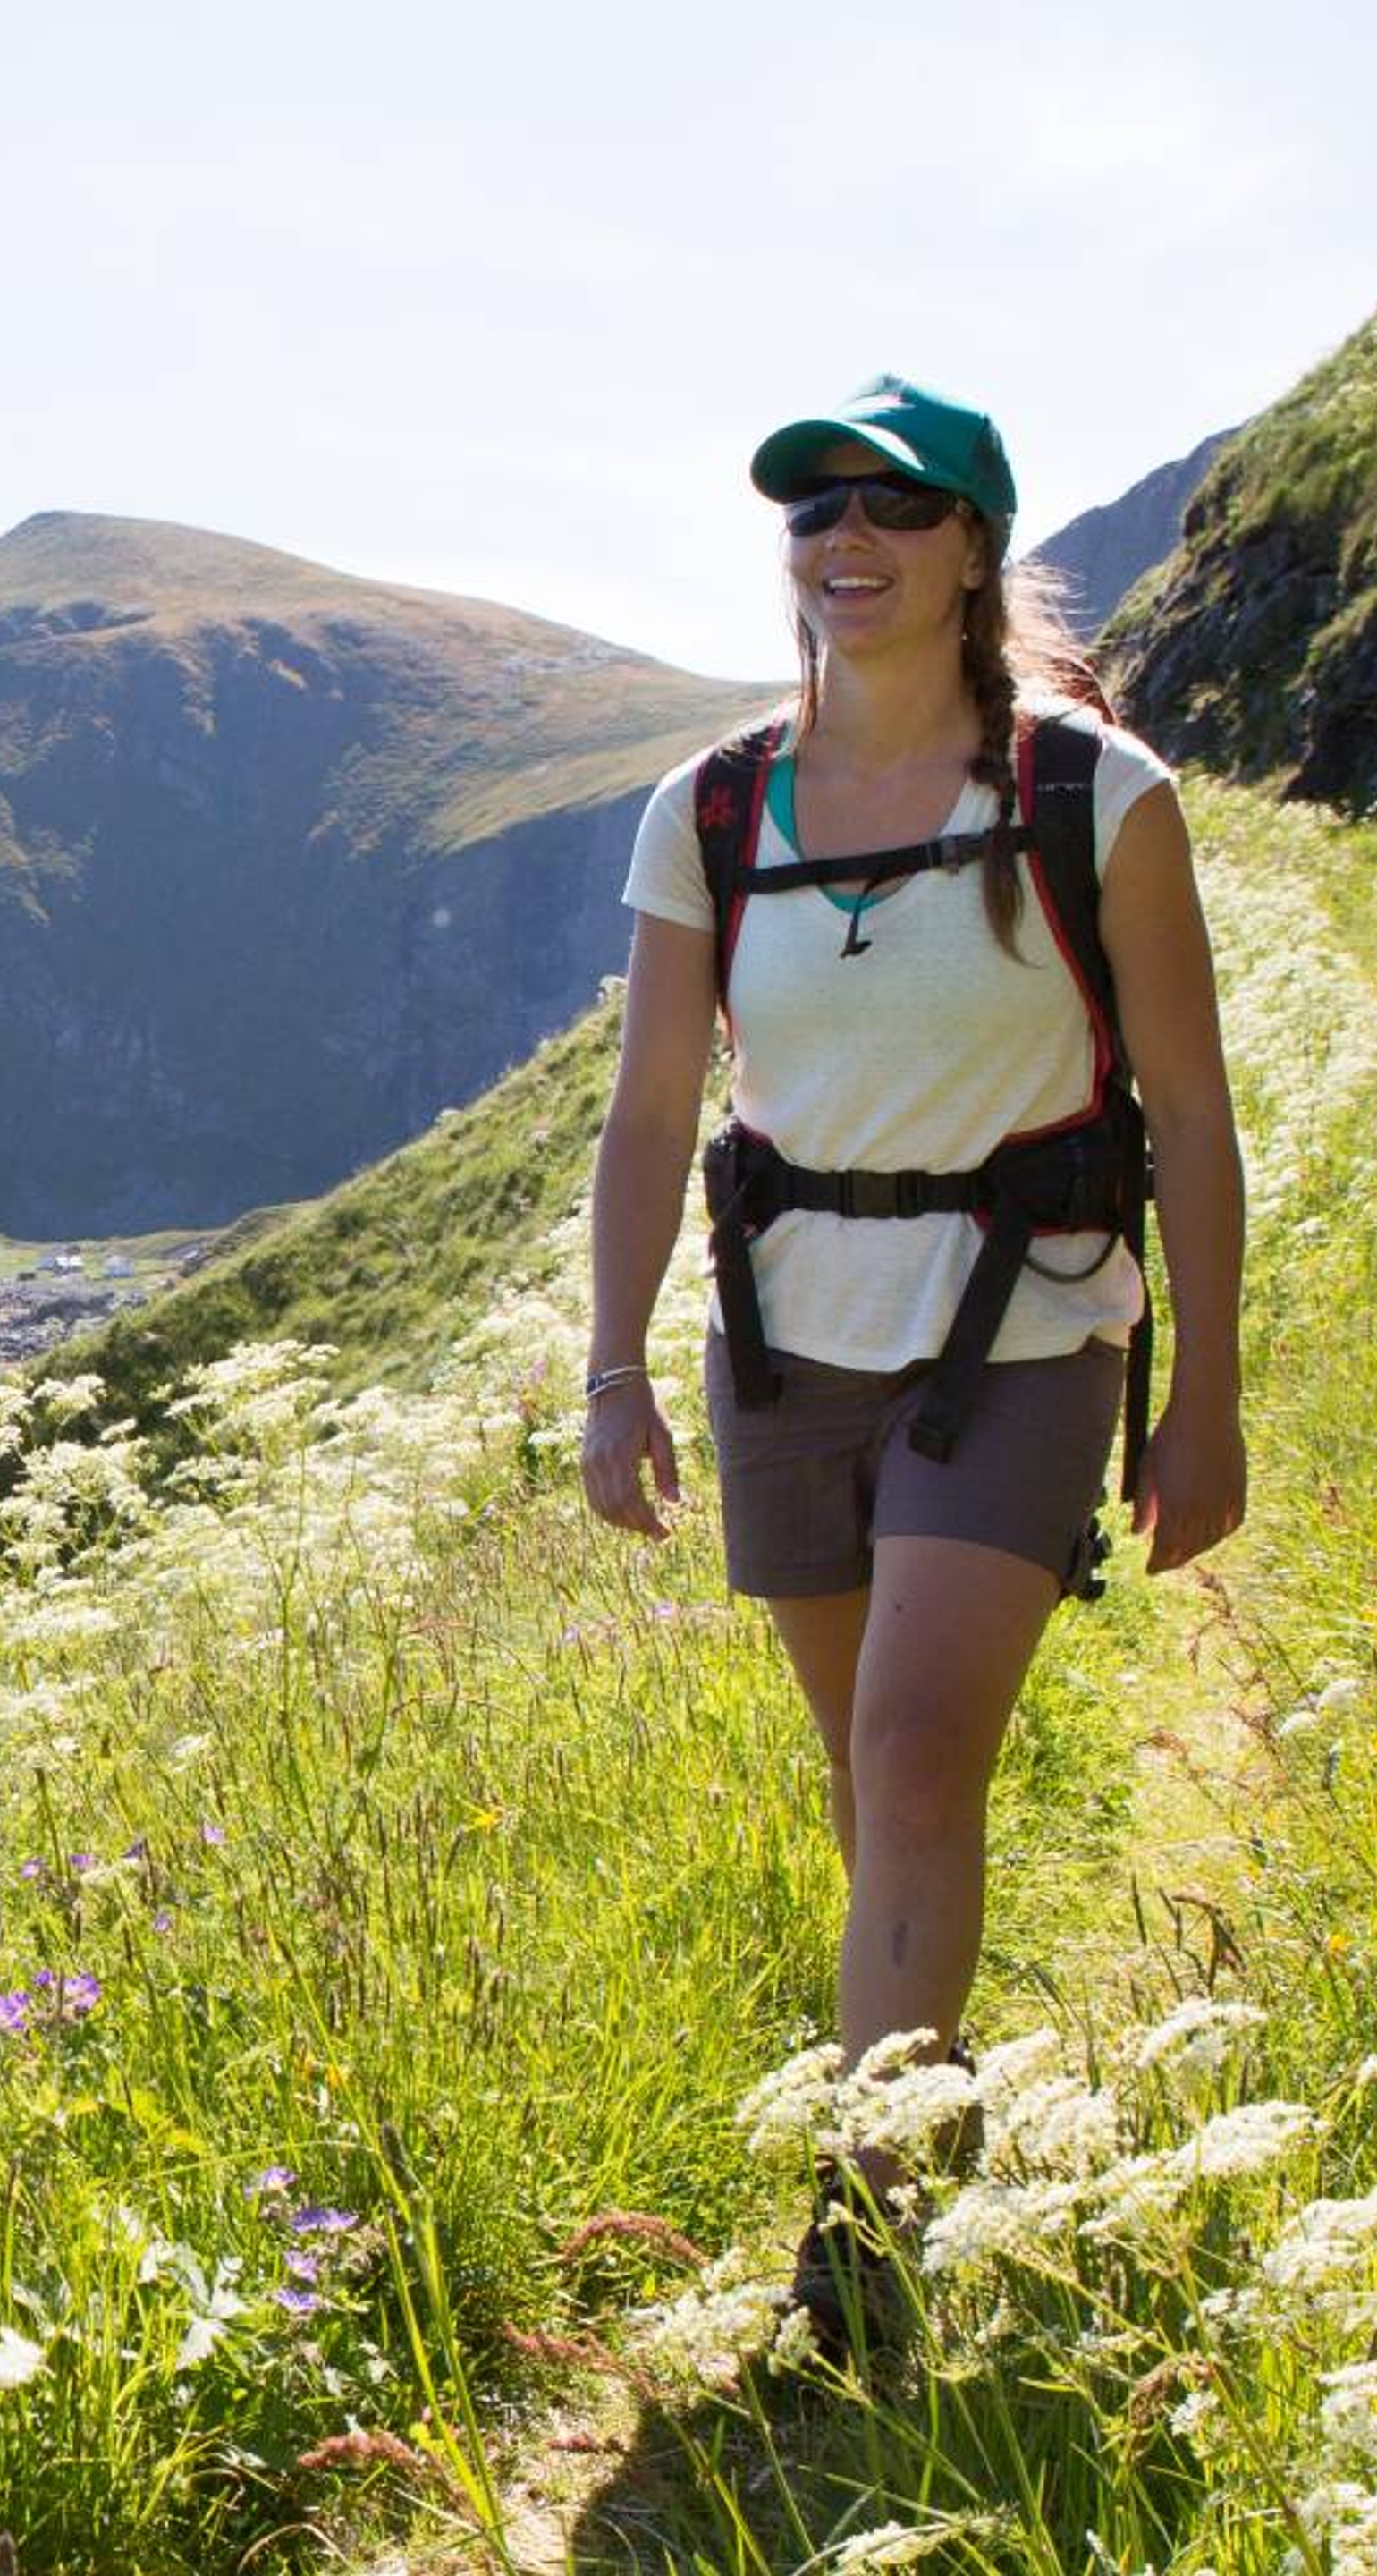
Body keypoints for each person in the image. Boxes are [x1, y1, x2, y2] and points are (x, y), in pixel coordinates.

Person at [578, 377, 1249, 2351]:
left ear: (975, 547)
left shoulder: (1093, 796)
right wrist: (612, 1375)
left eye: (894, 508)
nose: (845, 542)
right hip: (787, 1348)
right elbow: (641, 1118)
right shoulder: (711, 808)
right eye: (813, 515)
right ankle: (940, 2119)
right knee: (872, 1792)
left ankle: (863, 2244)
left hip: (1023, 1335)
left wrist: (1203, 1396)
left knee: (912, 1749)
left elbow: (1194, 1120)